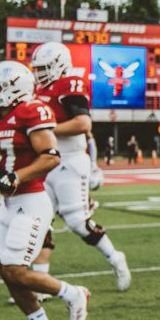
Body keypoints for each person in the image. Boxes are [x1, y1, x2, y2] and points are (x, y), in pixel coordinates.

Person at [0, 61, 90, 320]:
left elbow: (51, 156)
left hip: (32, 200)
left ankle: (72, 293)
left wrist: (15, 176)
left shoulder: (30, 111)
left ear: (15, 89)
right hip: (8, 204)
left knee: (16, 270)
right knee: (5, 270)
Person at [29, 43, 131, 291]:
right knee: (40, 221)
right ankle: (41, 283)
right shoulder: (38, 89)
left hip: (70, 161)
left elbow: (83, 123)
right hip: (46, 162)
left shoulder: (70, 84)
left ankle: (116, 258)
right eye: (37, 68)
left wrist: (45, 130)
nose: (40, 73)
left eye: (45, 68)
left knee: (76, 221)